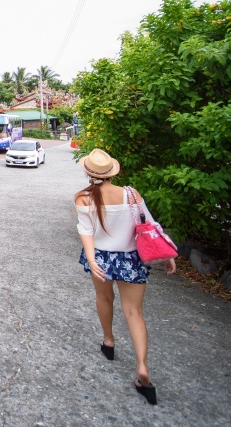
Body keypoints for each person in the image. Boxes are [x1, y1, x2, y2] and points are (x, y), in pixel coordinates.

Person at [74, 148, 176, 405]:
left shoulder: (82, 198)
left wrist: (93, 259)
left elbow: (85, 231)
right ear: (110, 172)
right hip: (131, 258)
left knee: (104, 299)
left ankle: (109, 342)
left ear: (88, 172)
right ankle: (142, 367)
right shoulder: (131, 194)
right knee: (134, 312)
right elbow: (149, 224)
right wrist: (168, 253)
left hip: (102, 257)